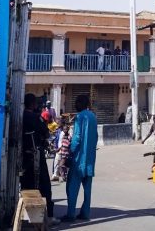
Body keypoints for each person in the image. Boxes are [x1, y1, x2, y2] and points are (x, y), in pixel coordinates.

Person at [21, 93, 58, 225]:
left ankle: (28, 216)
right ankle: (48, 216)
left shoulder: (22, 116)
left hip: (23, 156)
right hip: (36, 154)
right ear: (32, 104)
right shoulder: (35, 117)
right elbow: (46, 132)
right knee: (44, 185)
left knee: (27, 184)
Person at [62, 94, 98, 222]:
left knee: (71, 187)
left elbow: (77, 138)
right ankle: (85, 213)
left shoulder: (79, 117)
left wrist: (69, 153)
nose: (75, 105)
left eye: (77, 103)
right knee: (87, 189)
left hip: (78, 160)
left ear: (81, 104)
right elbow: (96, 137)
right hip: (90, 159)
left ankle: (71, 214)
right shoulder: (93, 117)